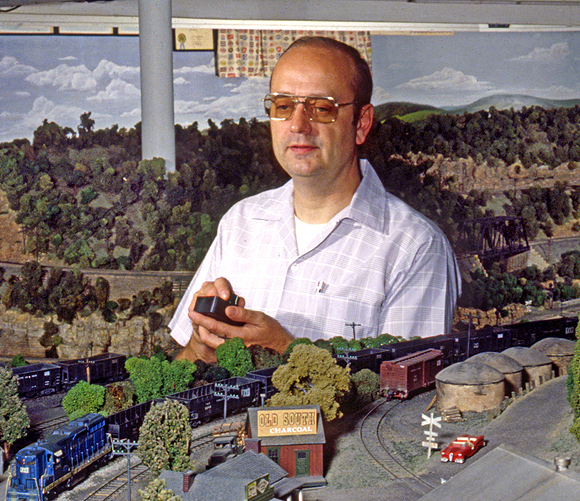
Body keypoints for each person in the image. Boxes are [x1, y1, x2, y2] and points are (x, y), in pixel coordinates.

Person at [169, 36, 461, 363]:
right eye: (283, 106)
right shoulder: (240, 221)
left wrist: (285, 350)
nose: (297, 124)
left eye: (321, 108)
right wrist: (200, 347)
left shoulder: (416, 247)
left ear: (361, 124)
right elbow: (185, 370)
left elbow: (406, 396)